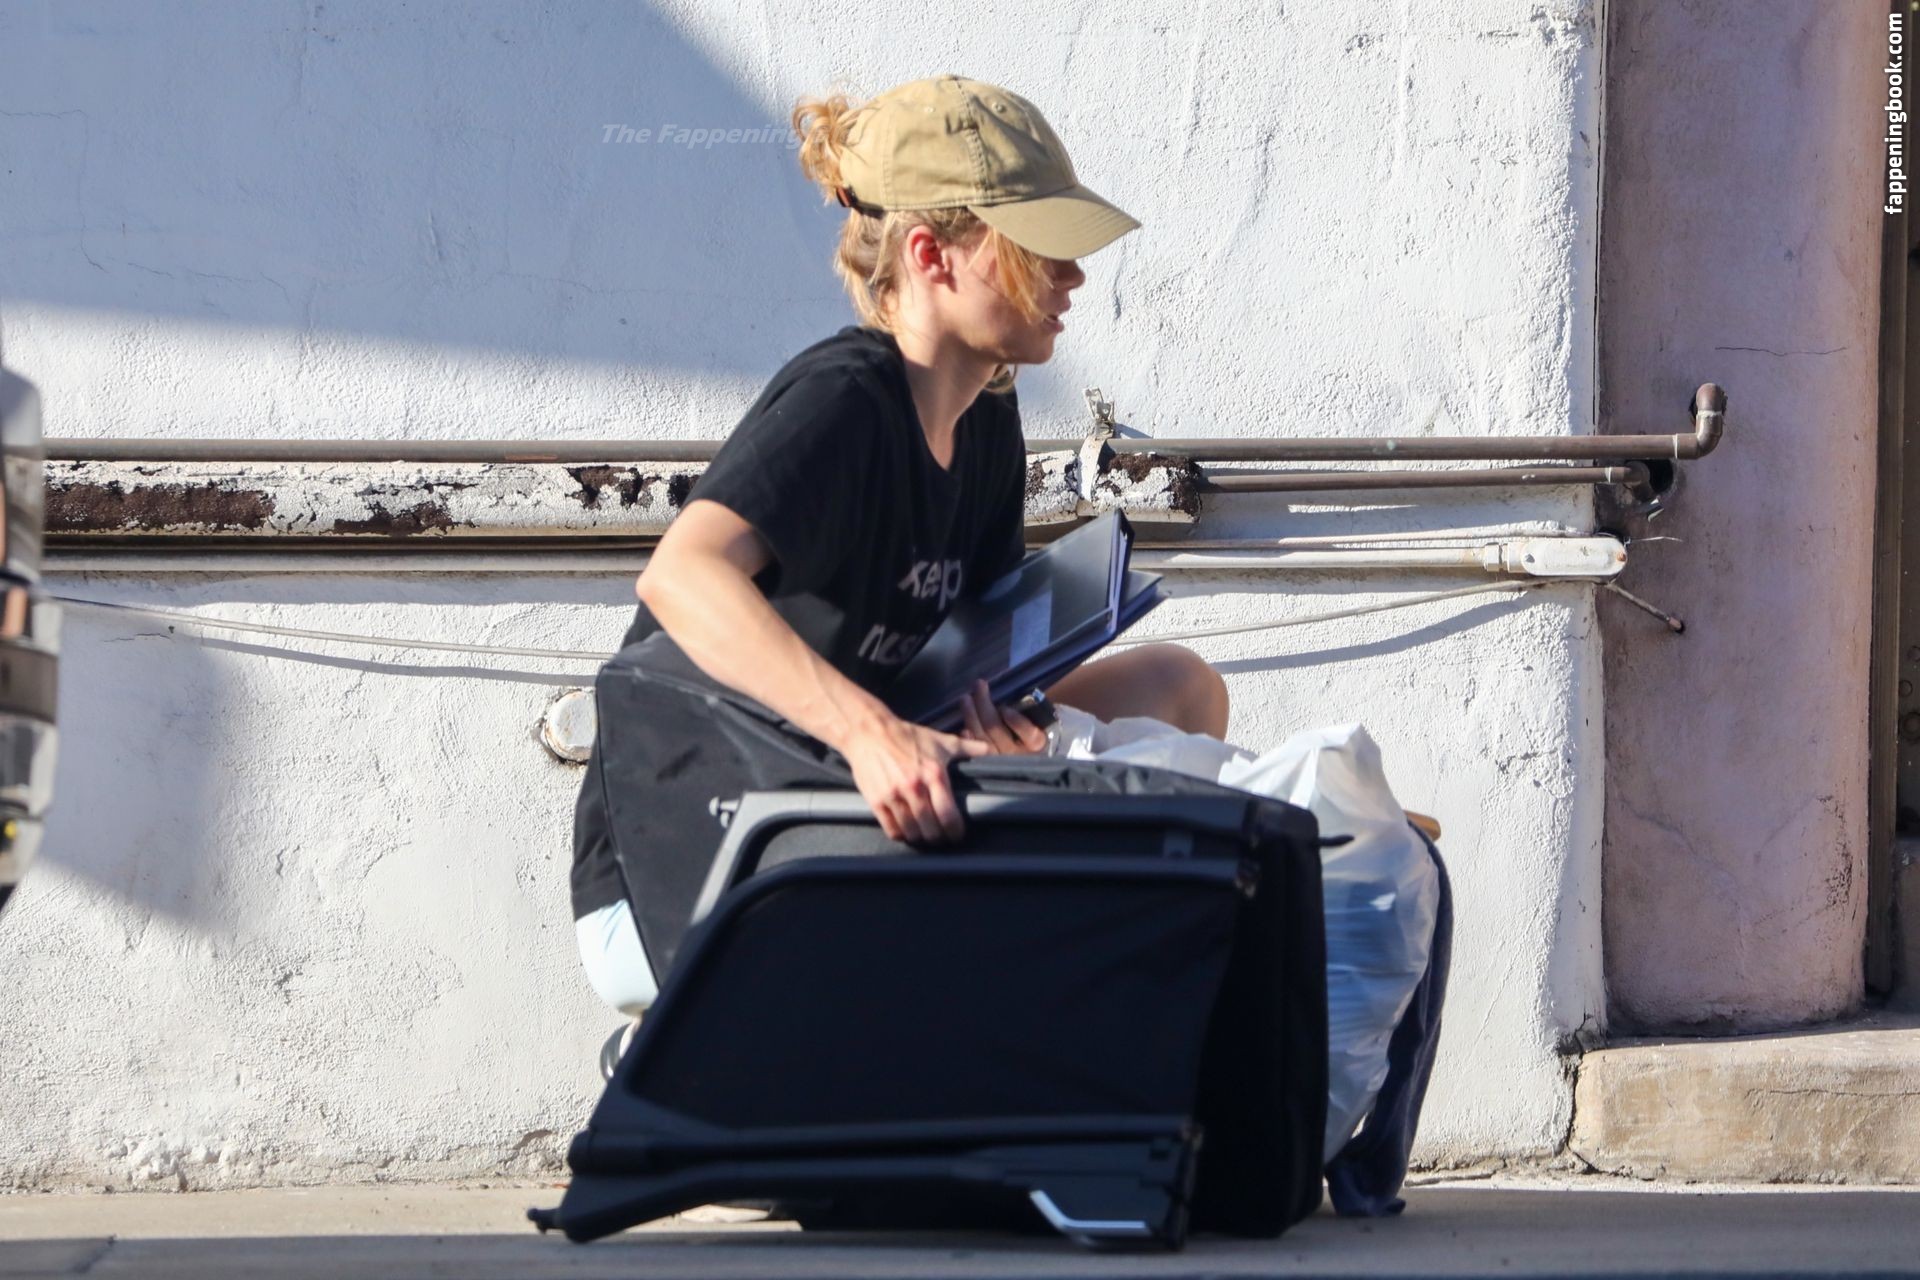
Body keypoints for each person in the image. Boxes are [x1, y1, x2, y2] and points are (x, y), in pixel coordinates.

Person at [571, 75, 1230, 1066]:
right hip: (691, 856)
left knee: (1178, 687)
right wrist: (870, 733)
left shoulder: (988, 422)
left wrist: (1010, 731)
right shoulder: (845, 398)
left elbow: (970, 659)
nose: (1072, 276)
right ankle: (688, 1051)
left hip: (869, 793)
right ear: (929, 255)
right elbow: (681, 573)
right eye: (1037, 244)